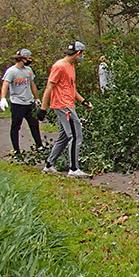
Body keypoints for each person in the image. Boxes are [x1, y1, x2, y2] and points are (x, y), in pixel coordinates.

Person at [39, 41, 93, 177]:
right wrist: (43, 109)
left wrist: (83, 101)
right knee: (75, 136)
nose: (82, 57)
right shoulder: (59, 66)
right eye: (82, 54)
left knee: (63, 137)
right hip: (63, 106)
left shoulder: (71, 66)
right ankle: (74, 169)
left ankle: (49, 165)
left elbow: (71, 88)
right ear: (78, 53)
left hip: (69, 103)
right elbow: (49, 87)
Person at [0, 48, 44, 154]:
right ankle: (16, 149)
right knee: (16, 126)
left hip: (29, 103)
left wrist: (36, 98)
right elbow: (5, 84)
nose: (30, 60)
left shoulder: (28, 70)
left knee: (34, 124)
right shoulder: (11, 71)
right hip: (17, 103)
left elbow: (32, 84)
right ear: (22, 58)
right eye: (28, 58)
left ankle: (39, 146)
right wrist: (3, 98)